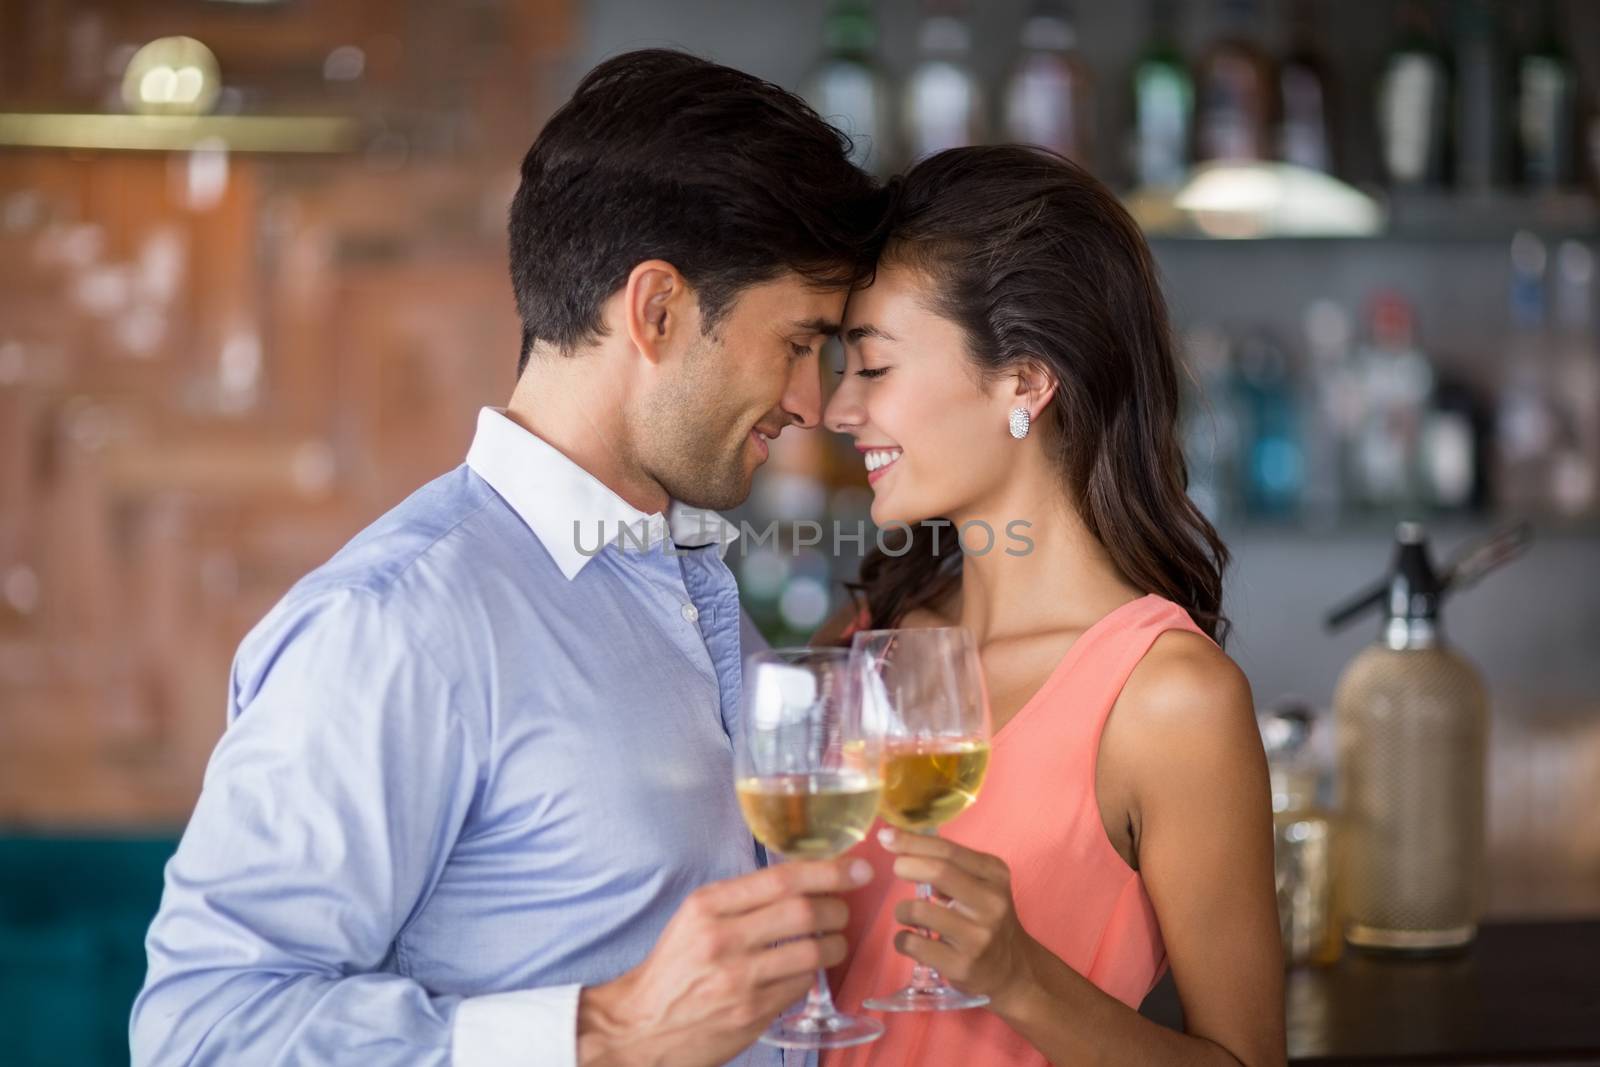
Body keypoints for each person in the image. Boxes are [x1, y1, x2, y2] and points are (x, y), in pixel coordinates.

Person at [130, 49, 889, 1067]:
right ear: (656, 310)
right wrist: (606, 1031)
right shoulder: (394, 623)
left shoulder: (693, 578)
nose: (812, 400)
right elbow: (201, 1033)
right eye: (799, 340)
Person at [814, 145, 1287, 1066]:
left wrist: (1021, 976)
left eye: (871, 370)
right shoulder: (871, 636)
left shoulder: (1170, 700)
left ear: (1024, 382)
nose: (838, 408)